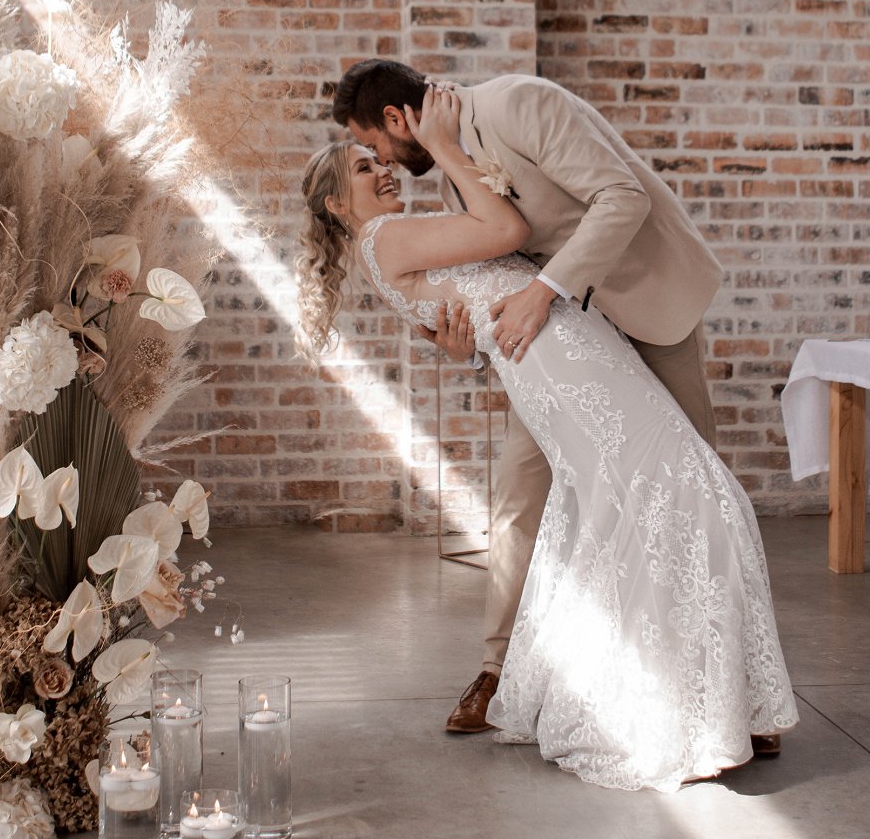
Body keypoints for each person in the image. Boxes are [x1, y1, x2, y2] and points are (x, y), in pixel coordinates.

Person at [298, 89, 797, 792]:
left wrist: (460, 337)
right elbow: (505, 231)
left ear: (395, 116)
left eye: (373, 151)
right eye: (362, 167)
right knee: (682, 495)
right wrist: (444, 150)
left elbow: (471, 293)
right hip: (562, 356)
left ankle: (710, 695)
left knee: (639, 506)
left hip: (593, 328)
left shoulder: (503, 119)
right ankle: (669, 699)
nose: (381, 165)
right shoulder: (389, 234)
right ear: (337, 205)